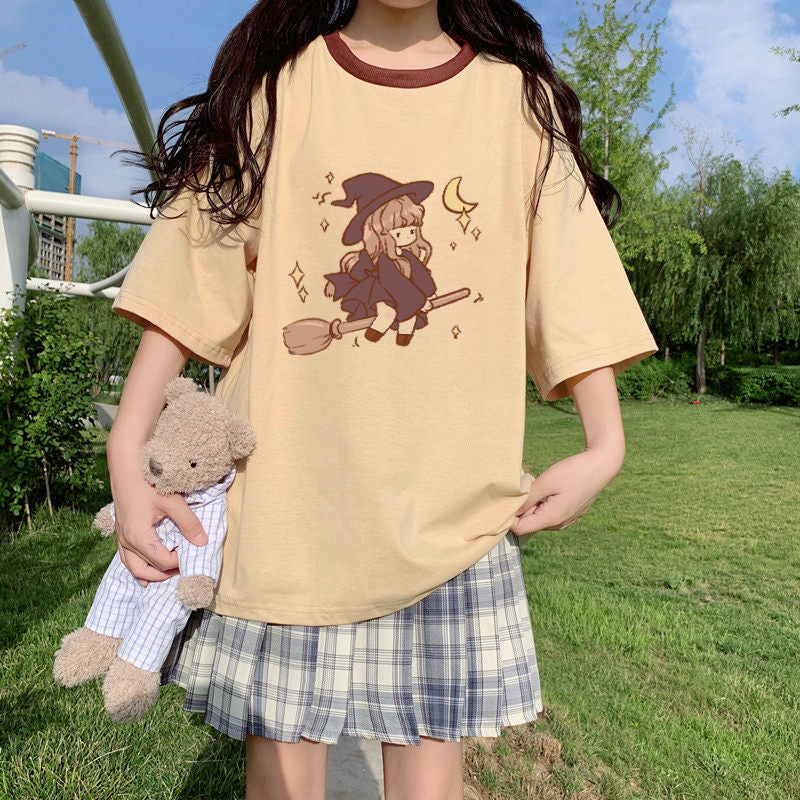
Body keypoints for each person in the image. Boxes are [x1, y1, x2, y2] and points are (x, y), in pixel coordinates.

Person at [107, 1, 658, 798]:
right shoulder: (276, 92)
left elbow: (570, 276)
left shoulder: (515, 101)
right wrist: (127, 450)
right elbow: (189, 281)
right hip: (290, 519)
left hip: (452, 522)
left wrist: (606, 445)